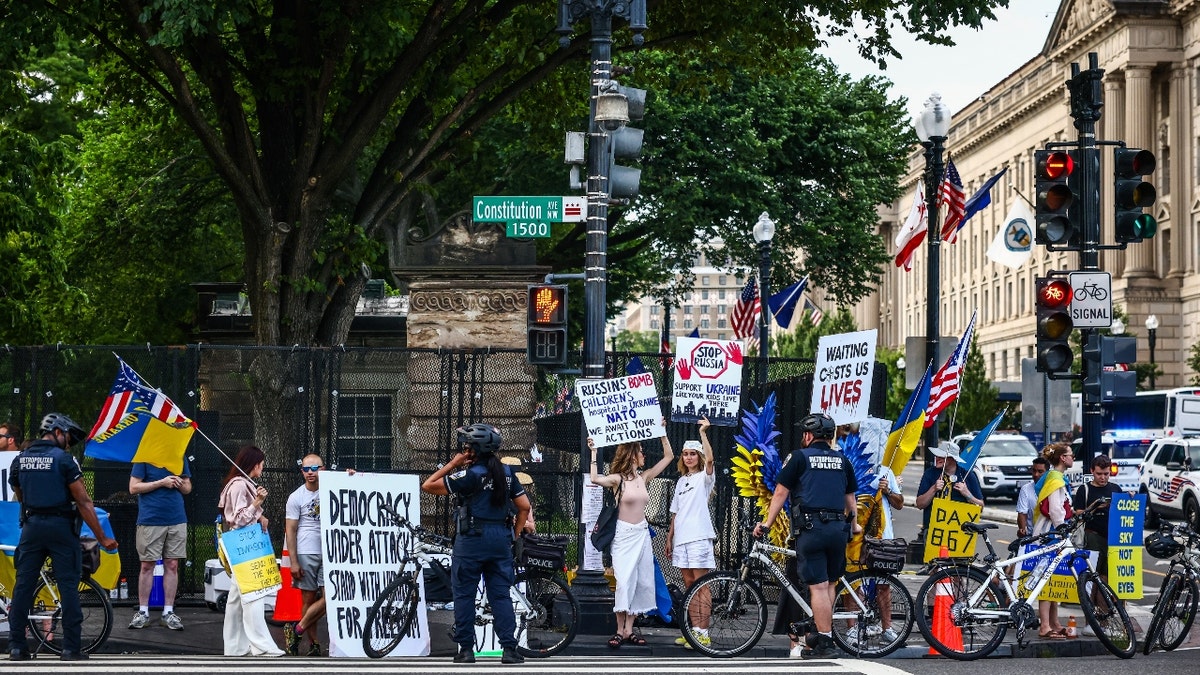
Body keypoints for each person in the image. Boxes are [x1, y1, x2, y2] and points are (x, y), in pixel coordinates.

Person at [8, 413, 118, 661]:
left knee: (23, 586)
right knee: (68, 586)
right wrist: (102, 538)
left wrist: (31, 509)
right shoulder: (63, 460)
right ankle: (70, 648)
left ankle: (17, 647)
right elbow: (83, 501)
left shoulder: (21, 459)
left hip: (32, 527)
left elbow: (19, 492)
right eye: (67, 437)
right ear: (57, 431)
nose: (68, 443)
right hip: (60, 528)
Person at [421, 423, 530, 665]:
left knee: (465, 594)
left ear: (474, 450)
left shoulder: (470, 475)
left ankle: (466, 649)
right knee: (500, 595)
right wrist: (514, 533)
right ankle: (510, 650)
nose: (464, 450)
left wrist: (452, 464)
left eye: (467, 447)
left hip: (471, 541)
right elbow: (524, 507)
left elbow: (428, 486)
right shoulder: (507, 473)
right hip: (500, 539)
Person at [753, 413, 859, 659]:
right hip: (838, 530)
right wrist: (853, 527)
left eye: (804, 433)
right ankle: (824, 636)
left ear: (809, 436)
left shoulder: (799, 458)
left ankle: (824, 641)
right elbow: (850, 499)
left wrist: (767, 524)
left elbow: (780, 492)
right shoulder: (842, 460)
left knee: (818, 587)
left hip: (812, 529)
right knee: (830, 583)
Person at [588, 423, 674, 649]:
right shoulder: (618, 480)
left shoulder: (644, 477)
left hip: (642, 533)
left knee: (642, 581)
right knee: (625, 581)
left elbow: (669, 457)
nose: (644, 455)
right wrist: (594, 452)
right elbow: (596, 479)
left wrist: (662, 433)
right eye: (640, 451)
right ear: (632, 455)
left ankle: (629, 630)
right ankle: (619, 629)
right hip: (623, 535)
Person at [218, 445, 284, 657]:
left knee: (238, 598)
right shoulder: (239, 485)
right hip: (245, 547)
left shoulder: (238, 483)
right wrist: (257, 503)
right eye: (261, 464)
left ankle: (235, 647)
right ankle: (261, 646)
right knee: (253, 594)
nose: (263, 468)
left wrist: (258, 514)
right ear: (254, 464)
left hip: (242, 546)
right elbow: (238, 520)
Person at [666, 418, 716, 649]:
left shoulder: (704, 478)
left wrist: (703, 433)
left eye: (693, 454)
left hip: (698, 537)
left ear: (699, 456)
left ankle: (703, 632)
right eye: (685, 454)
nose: (688, 457)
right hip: (681, 539)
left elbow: (711, 461)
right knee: (689, 584)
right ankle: (693, 630)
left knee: (701, 584)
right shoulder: (681, 481)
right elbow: (675, 513)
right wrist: (669, 538)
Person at [127, 458, 192, 631]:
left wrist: (179, 483)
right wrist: (162, 482)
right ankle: (143, 612)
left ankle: (168, 612)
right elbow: (133, 487)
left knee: (172, 565)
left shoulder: (179, 456)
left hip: (176, 518)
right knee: (147, 565)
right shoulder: (144, 456)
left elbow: (187, 488)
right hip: (151, 519)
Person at [283, 453, 332, 657]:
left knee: (332, 596)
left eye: (315, 468)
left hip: (331, 550)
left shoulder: (333, 487)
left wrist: (352, 476)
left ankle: (298, 629)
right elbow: (290, 530)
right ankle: (314, 645)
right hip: (307, 551)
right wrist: (293, 561)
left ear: (323, 469)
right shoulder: (296, 497)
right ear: (302, 471)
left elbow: (354, 487)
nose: (310, 473)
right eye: (306, 469)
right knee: (308, 600)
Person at [1033, 442, 1074, 640]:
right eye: (1070, 455)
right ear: (1062, 458)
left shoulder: (1052, 477)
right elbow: (1056, 510)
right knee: (1047, 579)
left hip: (1050, 533)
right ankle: (1045, 626)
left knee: (1053, 578)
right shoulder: (1056, 479)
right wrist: (1063, 531)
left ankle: (1055, 623)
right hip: (1051, 534)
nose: (1073, 457)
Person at [914, 441, 984, 539]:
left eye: (942, 456)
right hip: (934, 531)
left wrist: (967, 494)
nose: (937, 458)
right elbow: (920, 504)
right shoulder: (930, 474)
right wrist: (933, 489)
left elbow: (980, 507)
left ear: (953, 459)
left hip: (959, 533)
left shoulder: (967, 476)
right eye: (937, 455)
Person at [1072, 454, 1125, 579]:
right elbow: (1078, 513)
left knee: (1106, 576)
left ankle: (1103, 598)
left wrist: (1131, 498)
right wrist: (1095, 506)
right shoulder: (1084, 489)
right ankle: (1090, 598)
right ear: (1092, 471)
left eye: (1106, 474)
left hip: (1112, 538)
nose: (1103, 477)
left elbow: (1124, 510)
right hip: (1093, 537)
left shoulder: (1115, 488)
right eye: (1099, 474)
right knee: (1092, 574)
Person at [1015, 457, 1050, 538]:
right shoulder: (1026, 489)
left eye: (1040, 472)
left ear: (1047, 473)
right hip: (1032, 536)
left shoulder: (1053, 488)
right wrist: (1022, 529)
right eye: (1034, 470)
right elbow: (1022, 513)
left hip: (1051, 536)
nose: (1036, 474)